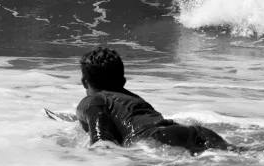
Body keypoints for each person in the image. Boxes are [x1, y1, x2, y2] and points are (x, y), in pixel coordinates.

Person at [76, 47, 232, 154]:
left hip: (158, 139)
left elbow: (101, 136)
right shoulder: (131, 98)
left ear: (84, 82)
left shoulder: (92, 101)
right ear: (123, 81)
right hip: (193, 131)